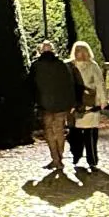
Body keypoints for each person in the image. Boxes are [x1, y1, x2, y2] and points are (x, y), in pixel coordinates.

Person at [28, 38, 80, 176]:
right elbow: (69, 85)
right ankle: (59, 158)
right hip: (61, 104)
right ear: (53, 50)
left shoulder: (36, 66)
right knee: (59, 130)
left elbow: (31, 86)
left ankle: (55, 158)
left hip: (44, 104)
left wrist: (34, 101)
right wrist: (71, 103)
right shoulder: (61, 65)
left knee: (49, 131)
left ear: (40, 50)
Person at [68, 39, 106, 172]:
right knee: (75, 134)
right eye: (78, 50)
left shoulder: (92, 66)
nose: (80, 53)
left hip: (90, 103)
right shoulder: (70, 66)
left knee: (90, 133)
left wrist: (102, 101)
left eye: (82, 50)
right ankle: (76, 154)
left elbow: (100, 83)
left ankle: (92, 159)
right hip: (75, 104)